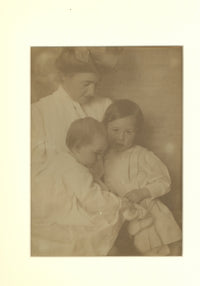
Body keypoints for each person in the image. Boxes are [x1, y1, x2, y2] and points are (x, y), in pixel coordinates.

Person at [32, 118, 128, 256]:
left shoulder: (61, 158)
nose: (99, 159)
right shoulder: (75, 169)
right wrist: (117, 203)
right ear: (77, 147)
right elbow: (91, 198)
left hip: (42, 209)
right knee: (96, 234)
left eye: (102, 154)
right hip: (56, 212)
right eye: (96, 153)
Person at [103, 99, 182, 256]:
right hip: (122, 213)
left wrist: (142, 192)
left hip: (147, 211)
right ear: (105, 127)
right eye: (115, 130)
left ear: (137, 132)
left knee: (155, 247)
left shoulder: (142, 155)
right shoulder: (103, 156)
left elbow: (164, 181)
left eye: (128, 132)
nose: (121, 137)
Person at [31, 47, 112, 175]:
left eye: (96, 85)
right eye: (86, 84)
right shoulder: (38, 112)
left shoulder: (105, 105)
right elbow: (36, 167)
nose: (92, 92)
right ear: (64, 77)